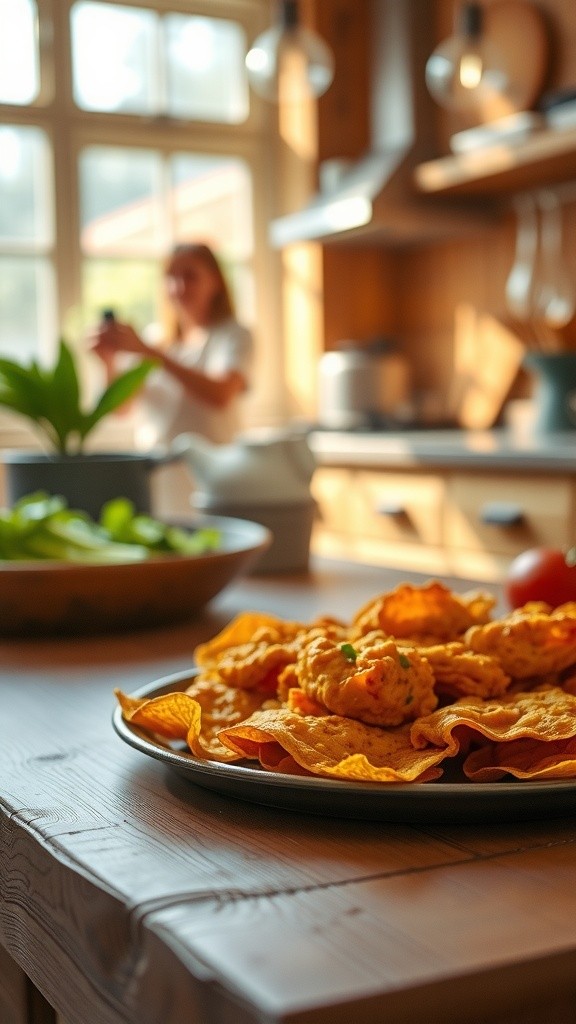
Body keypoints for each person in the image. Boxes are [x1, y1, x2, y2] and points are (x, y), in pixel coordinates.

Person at [89, 242, 254, 515]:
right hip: (157, 475)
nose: (179, 286)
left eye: (190, 276)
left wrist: (150, 353)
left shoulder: (233, 336)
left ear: (215, 281)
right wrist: (107, 362)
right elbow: (120, 408)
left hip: (209, 479)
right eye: (171, 277)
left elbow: (220, 394)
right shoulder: (155, 340)